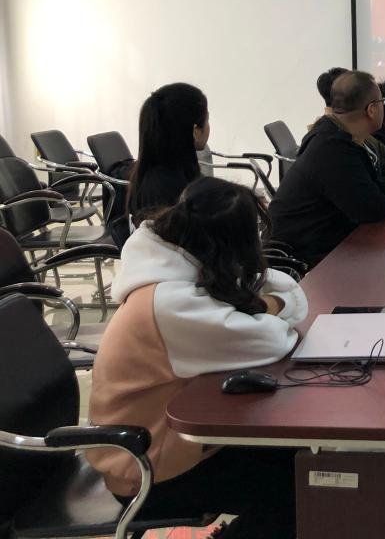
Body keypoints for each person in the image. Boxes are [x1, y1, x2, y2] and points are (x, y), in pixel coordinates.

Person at [87, 178, 307, 538]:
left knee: (298, 457)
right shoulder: (169, 302)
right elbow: (274, 340)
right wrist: (271, 307)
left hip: (166, 441)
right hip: (145, 468)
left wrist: (264, 306)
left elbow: (277, 291)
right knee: (297, 486)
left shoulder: (175, 264)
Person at [270, 71, 385, 266]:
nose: (383, 107)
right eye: (382, 102)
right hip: (301, 258)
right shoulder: (334, 148)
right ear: (371, 109)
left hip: (320, 243)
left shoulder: (333, 135)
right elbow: (373, 208)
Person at [127, 82, 210, 225]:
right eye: (207, 120)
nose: (208, 126)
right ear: (195, 131)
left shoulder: (152, 175)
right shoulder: (174, 192)